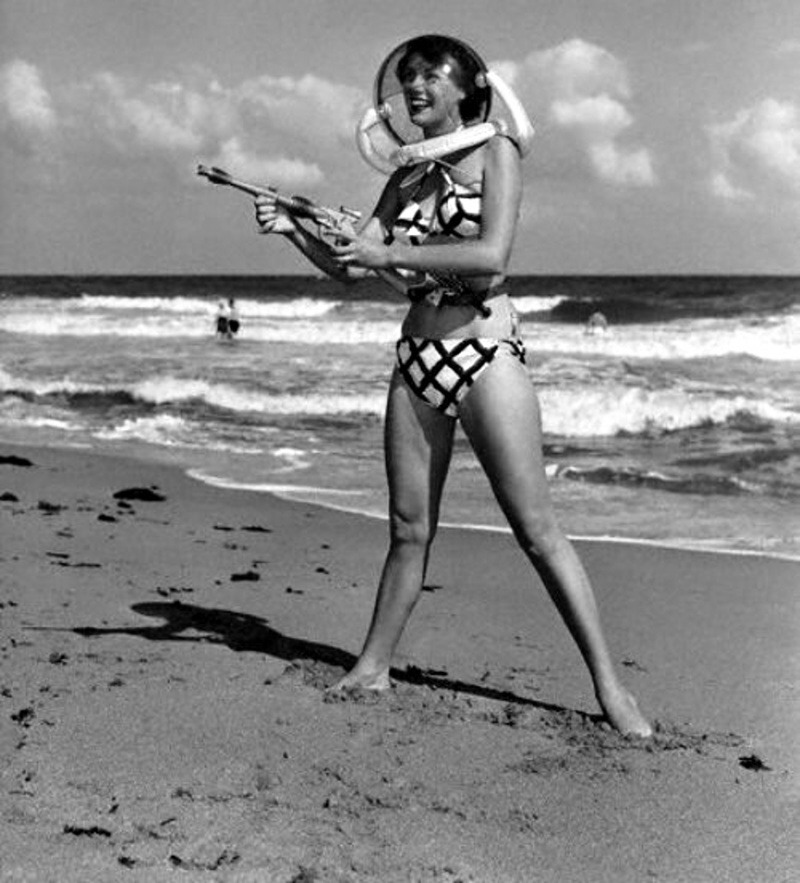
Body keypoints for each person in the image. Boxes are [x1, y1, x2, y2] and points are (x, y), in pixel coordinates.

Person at [254, 34, 651, 736]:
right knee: (409, 528)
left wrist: (389, 250)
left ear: (467, 88)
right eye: (407, 76)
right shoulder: (405, 177)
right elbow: (353, 265)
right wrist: (295, 230)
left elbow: (491, 254)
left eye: (431, 74)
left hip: (484, 353)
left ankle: (610, 686)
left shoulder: (498, 153)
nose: (415, 86)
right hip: (415, 358)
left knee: (536, 531)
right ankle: (373, 666)